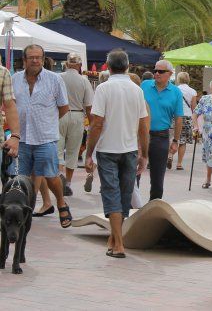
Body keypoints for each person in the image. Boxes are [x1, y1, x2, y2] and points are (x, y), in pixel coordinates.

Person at [85, 50, 149, 259]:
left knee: (111, 193)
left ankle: (119, 244)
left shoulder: (103, 88)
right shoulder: (136, 90)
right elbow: (143, 126)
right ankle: (113, 240)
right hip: (129, 149)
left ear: (108, 66)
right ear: (128, 66)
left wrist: (89, 152)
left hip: (107, 149)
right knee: (124, 194)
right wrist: (144, 154)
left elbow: (96, 124)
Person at [13, 44, 72, 227]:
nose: (35, 60)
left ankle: (61, 203)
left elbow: (64, 107)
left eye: (38, 57)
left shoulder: (55, 79)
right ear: (24, 60)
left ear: (43, 59)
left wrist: (48, 121)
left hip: (45, 137)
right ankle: (24, 211)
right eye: (31, 57)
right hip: (23, 138)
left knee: (51, 175)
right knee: (23, 178)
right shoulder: (15, 79)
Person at [140, 60, 183, 200]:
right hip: (140, 135)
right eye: (155, 70)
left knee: (157, 179)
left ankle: (154, 207)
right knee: (133, 174)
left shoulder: (176, 92)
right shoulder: (145, 85)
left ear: (170, 74)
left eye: (161, 71)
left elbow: (178, 118)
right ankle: (132, 207)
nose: (157, 73)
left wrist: (175, 140)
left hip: (161, 137)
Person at [57, 53, 93, 196]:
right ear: (79, 65)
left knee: (58, 149)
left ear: (66, 64)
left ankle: (59, 177)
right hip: (77, 115)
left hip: (59, 115)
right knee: (73, 151)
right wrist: (91, 125)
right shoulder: (84, 81)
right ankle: (68, 183)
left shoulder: (58, 77)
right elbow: (89, 106)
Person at [167, 72, 197, 171]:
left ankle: (170, 155)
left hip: (175, 116)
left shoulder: (174, 89)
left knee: (172, 138)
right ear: (188, 79)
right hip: (187, 117)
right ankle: (179, 164)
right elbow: (194, 107)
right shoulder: (192, 91)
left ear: (178, 79)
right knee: (183, 142)